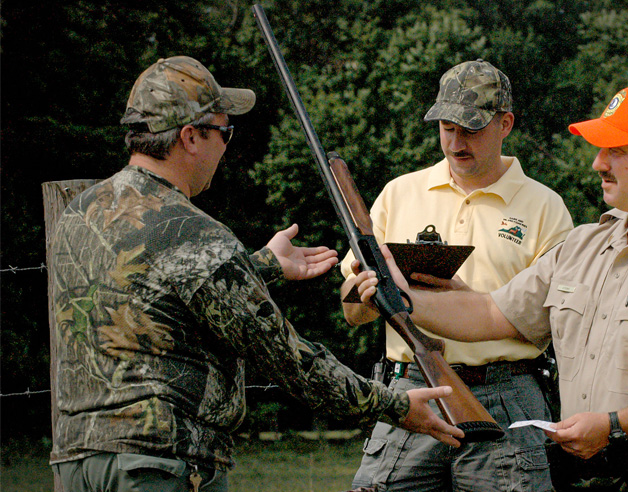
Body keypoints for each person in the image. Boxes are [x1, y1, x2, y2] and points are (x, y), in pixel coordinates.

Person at [48, 55, 464, 492]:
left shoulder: (79, 214)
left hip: (75, 463)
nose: (226, 147)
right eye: (224, 132)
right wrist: (394, 406)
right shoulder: (193, 232)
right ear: (190, 137)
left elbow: (153, 287)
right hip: (159, 467)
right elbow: (288, 359)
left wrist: (260, 264)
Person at [353, 86, 628, 491]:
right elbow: (490, 313)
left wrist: (613, 426)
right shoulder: (584, 245)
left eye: (616, 151)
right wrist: (398, 295)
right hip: (588, 474)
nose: (598, 163)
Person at [341, 59, 573, 492]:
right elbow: (352, 314)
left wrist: (472, 301)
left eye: (471, 129)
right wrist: (369, 294)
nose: (455, 142)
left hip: (507, 393)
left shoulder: (546, 207)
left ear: (505, 124)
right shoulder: (398, 193)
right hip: (410, 389)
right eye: (447, 128)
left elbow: (552, 321)